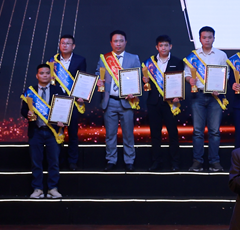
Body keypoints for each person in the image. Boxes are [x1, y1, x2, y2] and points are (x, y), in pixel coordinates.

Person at [184, 26, 229, 172]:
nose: (207, 40)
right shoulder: (193, 56)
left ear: (214, 38)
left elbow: (227, 75)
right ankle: (197, 161)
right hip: (198, 95)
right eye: (204, 37)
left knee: (214, 131)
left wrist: (220, 87)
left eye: (210, 37)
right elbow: (186, 74)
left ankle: (214, 161)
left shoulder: (221, 55)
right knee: (198, 131)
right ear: (200, 39)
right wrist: (189, 80)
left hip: (215, 97)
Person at [96, 30, 141, 171]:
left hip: (127, 101)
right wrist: (98, 81)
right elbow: (98, 74)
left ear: (125, 42)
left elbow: (138, 78)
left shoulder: (133, 58)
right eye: (115, 41)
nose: (118, 43)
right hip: (110, 101)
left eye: (121, 41)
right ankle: (111, 160)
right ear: (111, 43)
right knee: (110, 134)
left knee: (128, 134)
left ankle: (129, 160)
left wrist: (134, 92)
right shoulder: (104, 59)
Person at [20, 63, 66, 198]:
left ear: (50, 75)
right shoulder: (30, 91)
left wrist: (62, 120)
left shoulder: (58, 90)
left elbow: (64, 109)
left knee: (54, 162)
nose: (44, 75)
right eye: (42, 73)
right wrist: (27, 114)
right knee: (36, 162)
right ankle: (37, 189)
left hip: (53, 132)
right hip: (36, 131)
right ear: (37, 75)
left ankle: (53, 188)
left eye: (47, 73)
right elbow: (23, 110)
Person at [144, 35, 184, 172]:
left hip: (170, 103)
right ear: (157, 47)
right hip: (153, 102)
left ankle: (175, 162)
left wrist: (178, 95)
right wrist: (145, 81)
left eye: (166, 45)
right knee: (155, 134)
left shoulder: (177, 62)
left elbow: (180, 81)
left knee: (173, 133)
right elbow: (146, 83)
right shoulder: (149, 63)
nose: (163, 48)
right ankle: (156, 162)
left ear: (170, 46)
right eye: (161, 45)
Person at [49, 34, 86, 171]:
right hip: (57, 102)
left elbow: (83, 80)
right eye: (62, 43)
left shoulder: (80, 60)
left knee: (73, 133)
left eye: (68, 43)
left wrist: (82, 96)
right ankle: (57, 161)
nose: (64, 46)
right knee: (57, 132)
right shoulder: (52, 61)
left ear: (73, 46)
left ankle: (72, 161)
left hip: (73, 101)